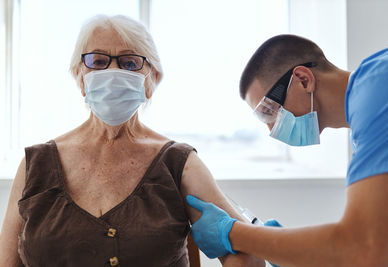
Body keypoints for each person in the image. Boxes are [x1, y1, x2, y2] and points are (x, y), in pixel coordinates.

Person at [0, 15, 265, 267]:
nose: (112, 71)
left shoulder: (179, 164)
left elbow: (248, 251)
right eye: (98, 61)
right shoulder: (35, 166)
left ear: (152, 79)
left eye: (129, 63)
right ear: (80, 76)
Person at [186, 34, 388, 266]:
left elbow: (363, 251)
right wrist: (292, 251)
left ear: (303, 79)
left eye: (267, 111)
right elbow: (383, 244)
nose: (271, 128)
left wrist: (235, 234)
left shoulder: (383, 88)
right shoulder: (370, 118)